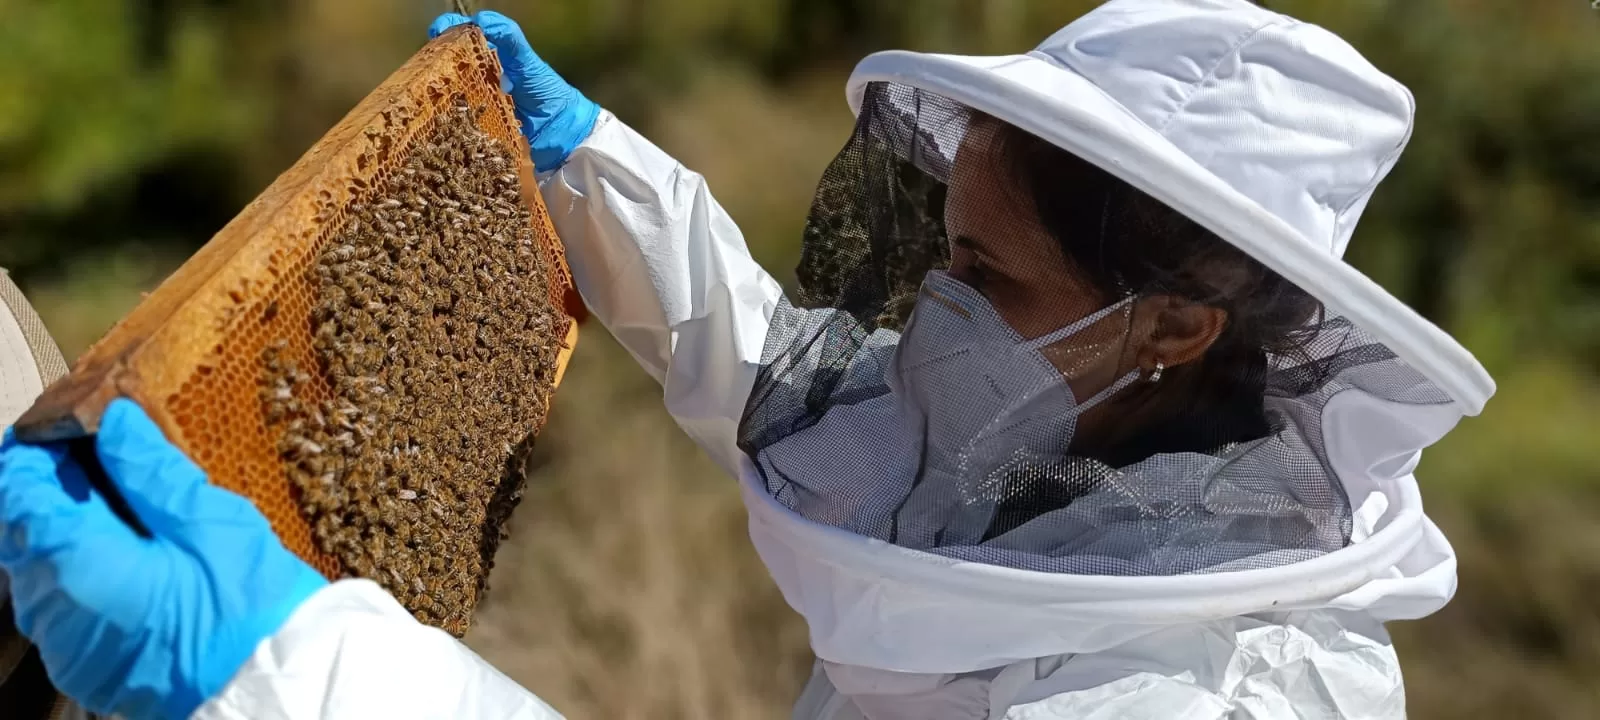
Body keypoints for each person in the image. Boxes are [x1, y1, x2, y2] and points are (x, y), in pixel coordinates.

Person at [0, 1, 1496, 718]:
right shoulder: (1091, 432)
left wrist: (288, 669)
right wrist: (590, 179)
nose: (932, 311)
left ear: (1175, 324)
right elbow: (813, 390)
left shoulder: (1173, 702)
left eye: (985, 271)